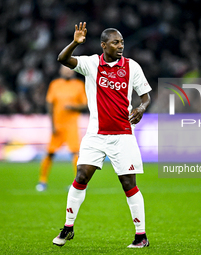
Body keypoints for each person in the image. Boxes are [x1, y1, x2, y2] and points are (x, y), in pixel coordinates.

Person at [52, 22, 151, 248]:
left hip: (123, 134)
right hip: (95, 134)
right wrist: (75, 43)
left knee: (129, 184)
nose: (120, 46)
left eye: (122, 42)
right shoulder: (91, 63)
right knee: (81, 177)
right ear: (104, 45)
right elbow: (62, 59)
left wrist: (141, 108)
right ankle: (68, 228)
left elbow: (145, 96)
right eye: (115, 42)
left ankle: (141, 236)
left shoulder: (132, 66)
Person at [36, 65, 87, 192]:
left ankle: (78, 184)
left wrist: (73, 107)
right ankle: (42, 181)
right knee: (50, 153)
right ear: (60, 71)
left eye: (70, 69)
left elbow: (85, 105)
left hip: (72, 126)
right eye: (65, 69)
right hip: (58, 125)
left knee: (75, 153)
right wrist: (52, 124)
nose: (68, 71)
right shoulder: (55, 84)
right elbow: (49, 104)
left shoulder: (79, 85)